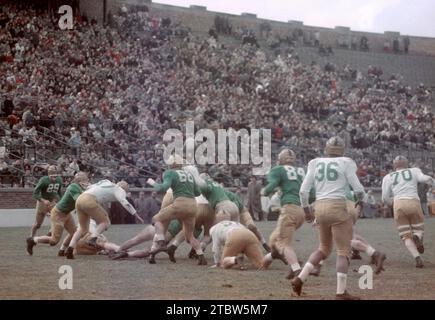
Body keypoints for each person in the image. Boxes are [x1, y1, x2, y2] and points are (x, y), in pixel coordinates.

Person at [292, 137, 365, 300]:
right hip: (337, 205)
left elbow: (303, 191)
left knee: (323, 249)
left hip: (319, 207)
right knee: (343, 251)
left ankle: (300, 278)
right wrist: (361, 200)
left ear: (326, 149)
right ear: (342, 150)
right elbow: (358, 187)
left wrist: (306, 210)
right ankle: (340, 292)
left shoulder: (315, 162)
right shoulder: (346, 162)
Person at [146, 154, 206, 265]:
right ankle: (201, 255)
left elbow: (162, 188)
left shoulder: (170, 173)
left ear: (172, 164)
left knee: (155, 219)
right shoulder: (189, 174)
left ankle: (161, 241)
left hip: (180, 203)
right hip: (193, 205)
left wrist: (152, 182)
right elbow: (197, 192)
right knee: (190, 235)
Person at [64, 180, 144, 259]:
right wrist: (136, 215)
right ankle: (93, 238)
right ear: (124, 187)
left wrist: (85, 184)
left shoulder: (106, 182)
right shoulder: (119, 189)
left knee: (82, 228)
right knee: (105, 222)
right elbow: (125, 202)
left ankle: (70, 249)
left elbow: (90, 186)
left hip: (80, 199)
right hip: (89, 200)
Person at [260, 149, 308, 279]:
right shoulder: (302, 171)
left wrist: (263, 191)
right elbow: (312, 192)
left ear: (281, 159)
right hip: (301, 211)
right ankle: (264, 264)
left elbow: (272, 185)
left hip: (289, 208)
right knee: (273, 241)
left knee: (282, 243)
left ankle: (296, 269)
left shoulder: (278, 169)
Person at [381, 156, 434, 268]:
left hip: (398, 204)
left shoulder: (388, 177)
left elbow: (385, 198)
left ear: (394, 165)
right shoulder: (414, 171)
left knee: (405, 236)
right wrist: (432, 182)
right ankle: (417, 237)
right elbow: (425, 179)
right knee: (419, 229)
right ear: (407, 164)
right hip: (413, 201)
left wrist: (393, 203)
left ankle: (417, 258)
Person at [26, 172, 89, 256]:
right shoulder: (74, 187)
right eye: (84, 180)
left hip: (66, 213)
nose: (87, 182)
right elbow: (79, 200)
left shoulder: (80, 187)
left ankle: (62, 250)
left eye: (86, 180)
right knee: (54, 241)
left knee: (74, 234)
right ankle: (33, 240)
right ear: (79, 180)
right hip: (58, 213)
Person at [30, 165, 63, 237]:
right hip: (42, 202)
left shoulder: (59, 180)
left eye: (56, 176)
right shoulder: (43, 180)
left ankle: (49, 234)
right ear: (48, 174)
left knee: (57, 219)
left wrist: (59, 201)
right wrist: (43, 200)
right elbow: (35, 194)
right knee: (37, 225)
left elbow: (59, 192)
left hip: (52, 202)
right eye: (52, 176)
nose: (54, 178)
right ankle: (31, 237)